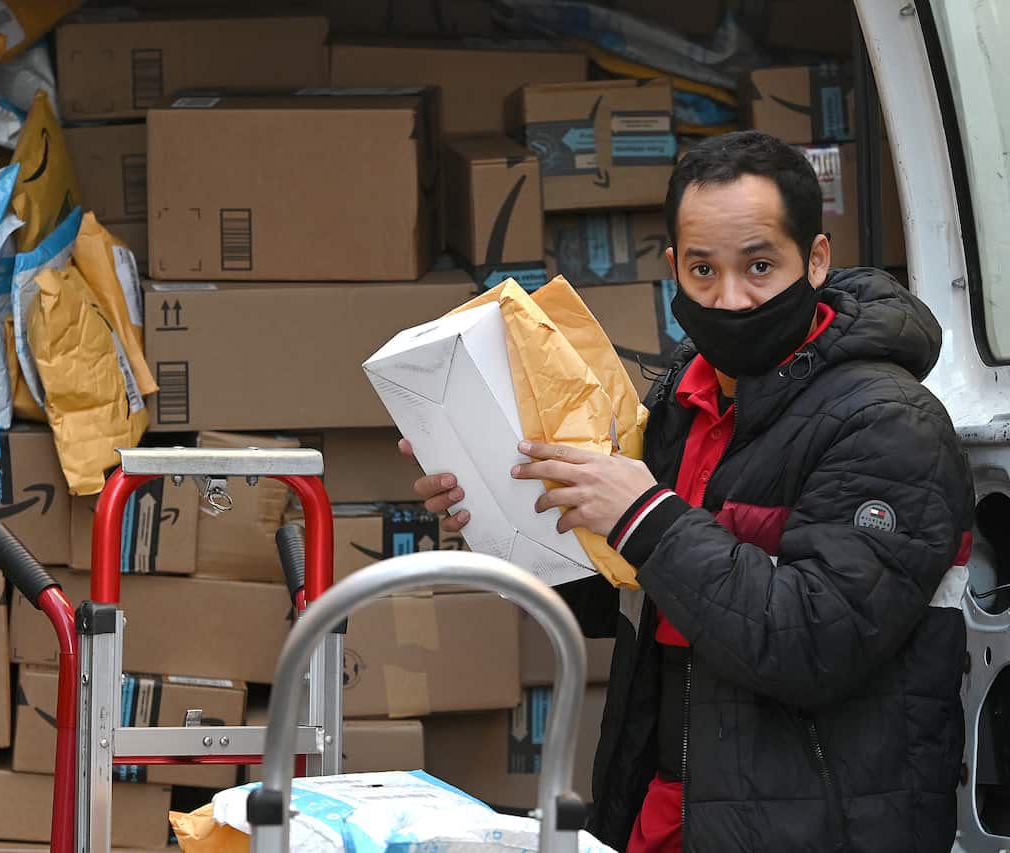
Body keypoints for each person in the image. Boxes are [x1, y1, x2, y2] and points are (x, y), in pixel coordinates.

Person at [402, 130, 974, 852]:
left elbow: (816, 641)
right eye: (703, 270)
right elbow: (629, 594)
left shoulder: (891, 424)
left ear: (817, 260)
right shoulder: (683, 398)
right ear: (674, 266)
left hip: (817, 830)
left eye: (759, 266)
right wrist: (492, 504)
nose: (730, 299)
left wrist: (643, 514)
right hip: (665, 811)